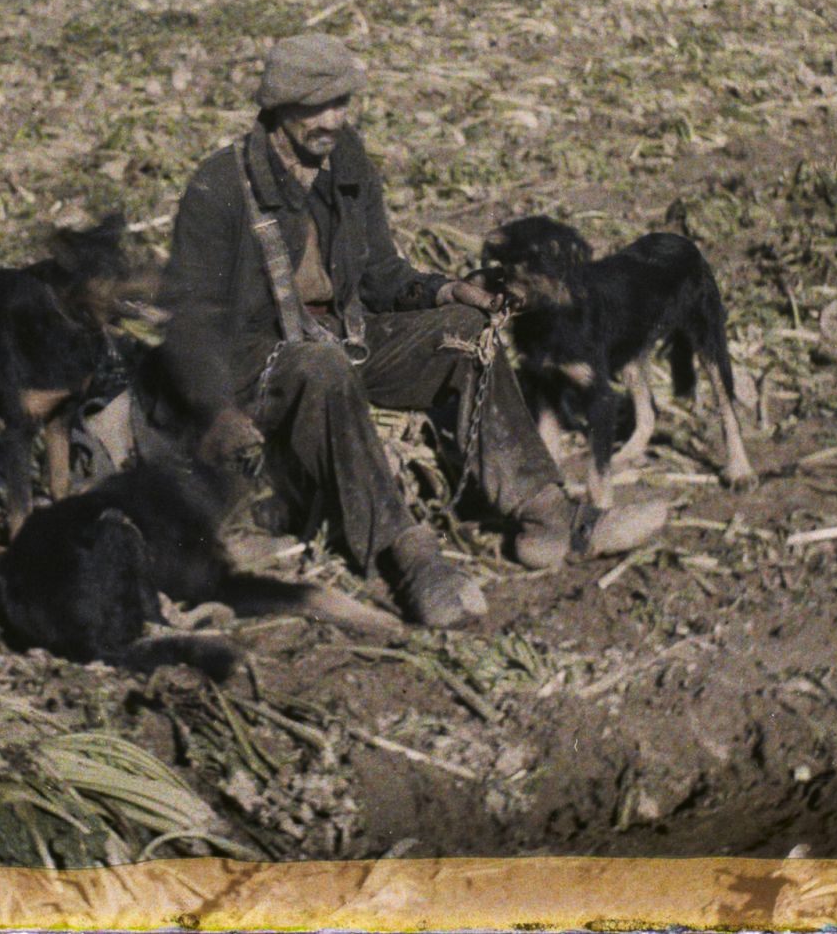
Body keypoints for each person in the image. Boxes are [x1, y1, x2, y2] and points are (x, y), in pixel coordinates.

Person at [156, 33, 669, 627]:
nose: (332, 120)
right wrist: (216, 409)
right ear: (278, 105)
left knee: (462, 334)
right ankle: (410, 556)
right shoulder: (219, 187)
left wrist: (447, 291)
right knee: (319, 368)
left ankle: (549, 516)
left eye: (342, 103)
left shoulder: (346, 164)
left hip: (341, 338)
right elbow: (189, 319)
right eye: (316, 105)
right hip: (256, 363)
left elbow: (380, 273)